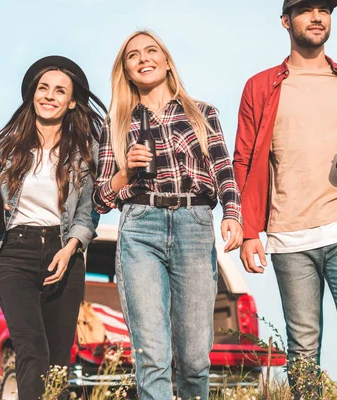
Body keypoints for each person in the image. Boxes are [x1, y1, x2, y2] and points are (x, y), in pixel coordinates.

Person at [233, 0, 337, 397]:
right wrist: (249, 231)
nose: (317, 17)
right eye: (306, 9)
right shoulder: (261, 85)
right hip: (289, 235)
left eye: (324, 9)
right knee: (303, 344)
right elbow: (245, 160)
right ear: (286, 21)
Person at [92, 30, 243, 400]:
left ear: (166, 60)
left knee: (194, 357)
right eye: (133, 56)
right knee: (152, 354)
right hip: (141, 227)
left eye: (151, 51)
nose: (143, 58)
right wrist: (126, 171)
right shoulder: (116, 124)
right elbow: (100, 198)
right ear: (126, 71)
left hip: (194, 225)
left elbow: (224, 170)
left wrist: (233, 213)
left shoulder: (202, 113)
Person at [0, 55, 106, 399]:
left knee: (57, 360)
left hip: (64, 251)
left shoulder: (85, 150)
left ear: (72, 101)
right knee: (31, 345)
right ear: (33, 94)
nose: (49, 95)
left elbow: (88, 212)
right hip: (14, 253)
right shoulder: (7, 146)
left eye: (59, 90)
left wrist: (70, 249)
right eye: (43, 88)